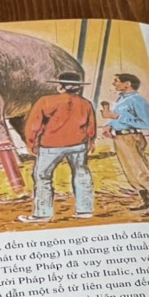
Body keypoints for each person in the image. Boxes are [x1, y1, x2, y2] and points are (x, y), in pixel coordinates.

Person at [18, 72, 96, 224]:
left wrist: (31, 143)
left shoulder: (46, 101)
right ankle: (85, 211)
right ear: (78, 88)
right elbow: (90, 125)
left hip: (51, 145)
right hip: (78, 144)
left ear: (60, 86)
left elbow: (33, 124)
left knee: (43, 177)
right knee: (81, 175)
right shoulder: (86, 103)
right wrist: (91, 141)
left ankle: (43, 214)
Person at [100, 73, 149, 216]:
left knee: (140, 170)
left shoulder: (137, 100)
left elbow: (147, 123)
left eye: (117, 81)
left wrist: (117, 116)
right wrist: (110, 125)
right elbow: (120, 119)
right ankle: (147, 200)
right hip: (120, 137)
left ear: (127, 84)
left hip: (130, 137)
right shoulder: (121, 99)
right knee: (130, 172)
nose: (114, 84)